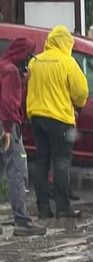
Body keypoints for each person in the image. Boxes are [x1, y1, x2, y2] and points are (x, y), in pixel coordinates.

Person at [26, 25, 88, 221]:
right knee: (61, 162)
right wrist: (77, 104)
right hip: (60, 119)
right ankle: (63, 207)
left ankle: (43, 208)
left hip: (37, 117)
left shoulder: (36, 61)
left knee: (42, 161)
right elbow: (81, 92)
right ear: (65, 42)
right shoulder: (67, 62)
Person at [0, 37, 46, 237]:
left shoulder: (4, 67)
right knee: (18, 171)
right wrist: (9, 129)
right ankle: (22, 220)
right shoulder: (10, 72)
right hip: (7, 126)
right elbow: (9, 102)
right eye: (28, 56)